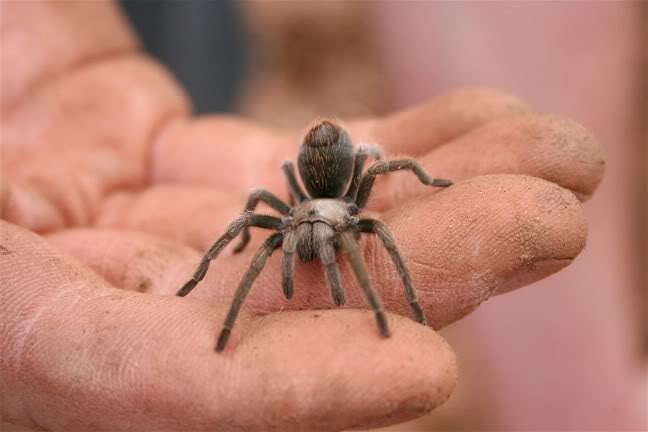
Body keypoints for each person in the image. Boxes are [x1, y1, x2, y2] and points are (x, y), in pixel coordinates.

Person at [0, 2, 604, 431]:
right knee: (252, 224)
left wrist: (425, 193)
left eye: (308, 231)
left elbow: (382, 178)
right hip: (314, 188)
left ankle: (387, 314)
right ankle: (221, 311)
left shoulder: (355, 198)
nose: (305, 244)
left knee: (382, 212)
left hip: (335, 182)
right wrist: (210, 280)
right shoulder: (283, 213)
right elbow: (252, 219)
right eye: (298, 232)